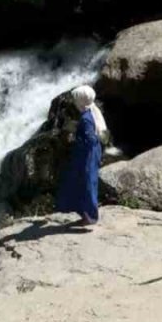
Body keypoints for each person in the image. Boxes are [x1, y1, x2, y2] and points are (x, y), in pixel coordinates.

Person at [55, 85, 104, 226]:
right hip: (89, 153)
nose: (74, 101)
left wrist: (78, 141)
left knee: (87, 183)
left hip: (87, 155)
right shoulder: (92, 112)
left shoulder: (86, 119)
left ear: (81, 101)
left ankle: (90, 216)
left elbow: (91, 139)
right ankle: (86, 214)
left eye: (76, 98)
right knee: (85, 182)